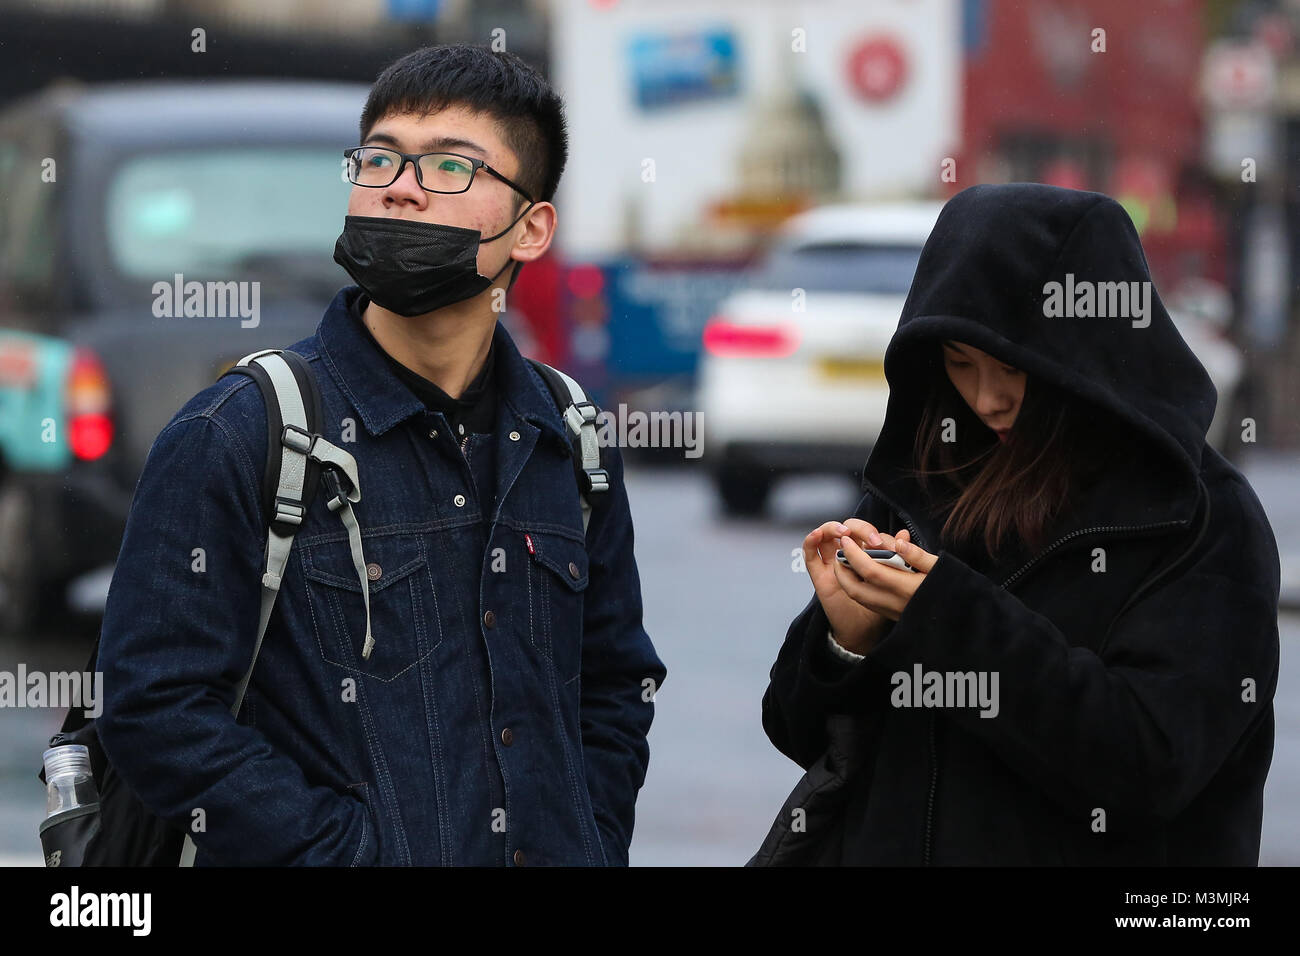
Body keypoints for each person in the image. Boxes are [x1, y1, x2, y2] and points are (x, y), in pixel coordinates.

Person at [97, 44, 666, 866]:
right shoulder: (241, 432)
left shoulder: (567, 436)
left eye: (450, 166)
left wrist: (586, 839)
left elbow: (615, 687)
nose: (401, 183)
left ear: (531, 229)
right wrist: (346, 854)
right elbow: (155, 711)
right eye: (381, 158)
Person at [755, 182, 1280, 866]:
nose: (987, 397)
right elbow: (799, 729)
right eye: (959, 362)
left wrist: (949, 619)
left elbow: (1148, 765)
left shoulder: (1201, 518)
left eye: (1012, 366)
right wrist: (846, 645)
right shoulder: (931, 474)